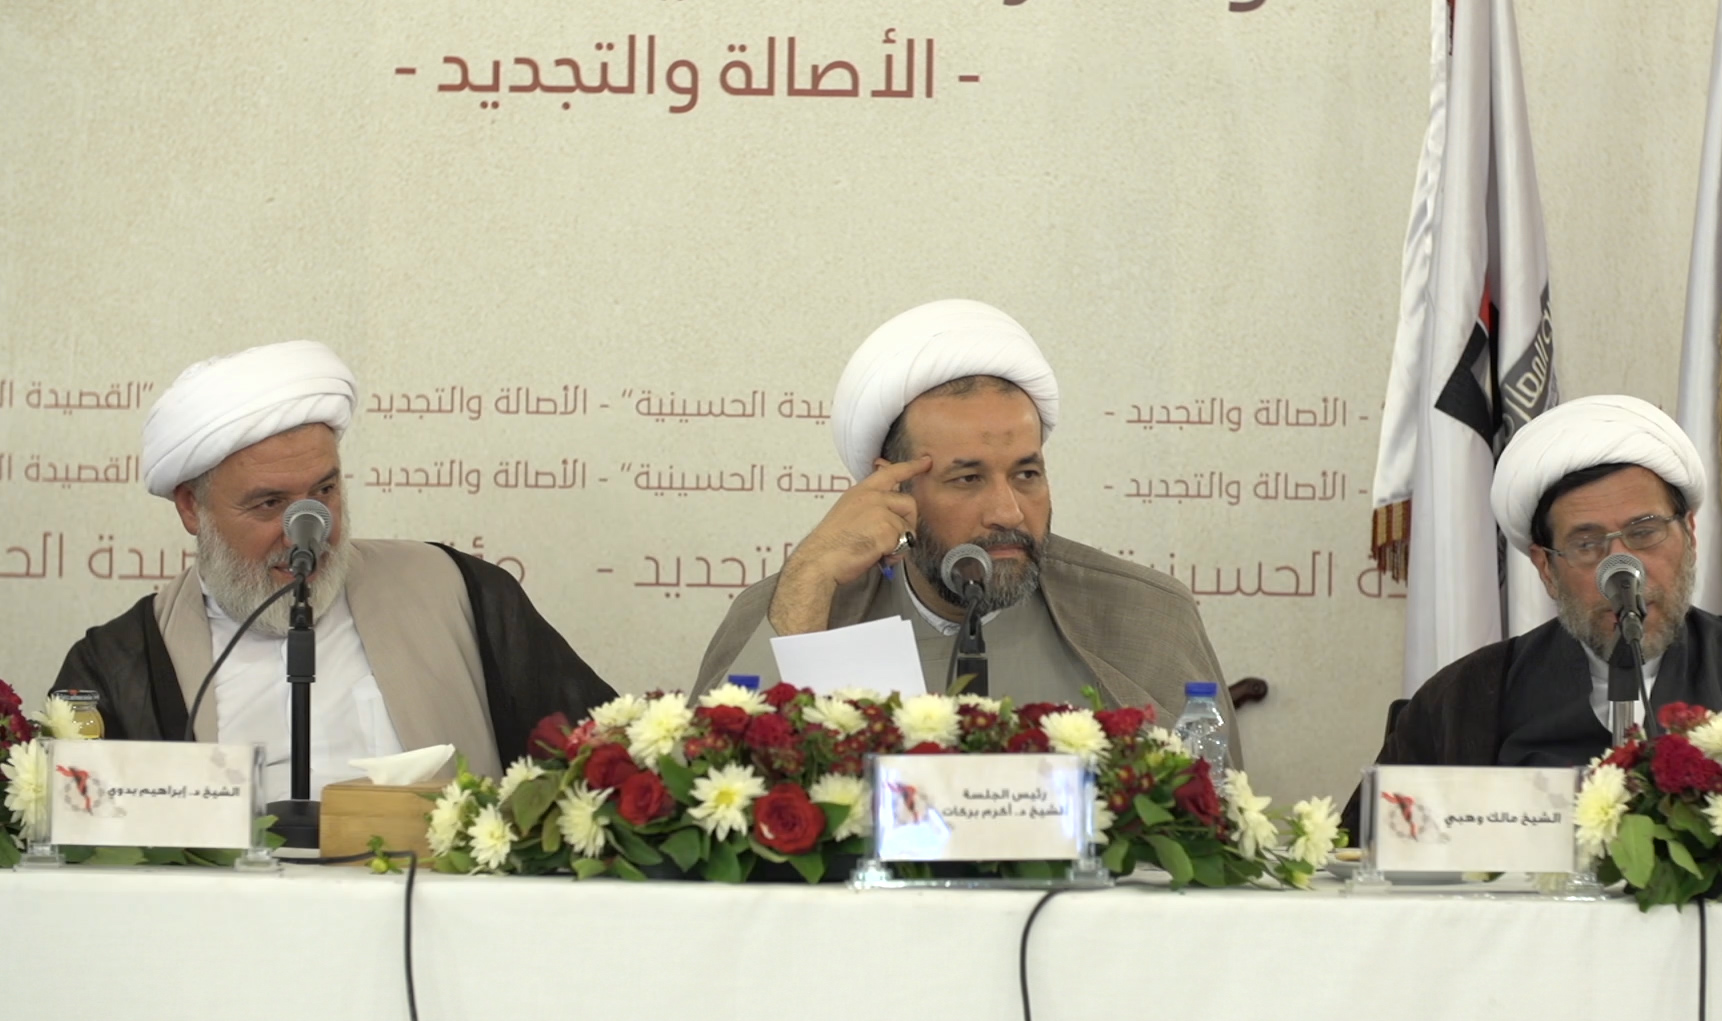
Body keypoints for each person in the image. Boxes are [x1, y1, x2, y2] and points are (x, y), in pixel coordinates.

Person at [51, 341, 613, 800]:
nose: (308, 531)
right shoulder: (121, 663)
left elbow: (603, 765)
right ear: (191, 508)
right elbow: (78, 826)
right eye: (269, 504)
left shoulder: (463, 594)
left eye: (323, 492)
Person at [695, 299, 1242, 760]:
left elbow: (1215, 825)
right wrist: (808, 584)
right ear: (894, 490)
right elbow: (704, 802)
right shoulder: (795, 603)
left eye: (1026, 474)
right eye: (967, 479)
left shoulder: (1148, 615)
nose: (1008, 511)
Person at [1345, 395, 1722, 831]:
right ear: (1546, 567)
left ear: (1690, 535)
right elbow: (1369, 848)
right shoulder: (1465, 698)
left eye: (1645, 532)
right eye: (1587, 544)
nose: (1622, 568)